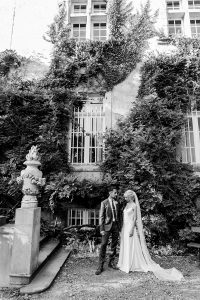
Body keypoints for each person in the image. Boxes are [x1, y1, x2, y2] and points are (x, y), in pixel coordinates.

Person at [117, 190, 183, 281]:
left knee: (131, 245)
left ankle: (131, 264)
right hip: (125, 227)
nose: (125, 199)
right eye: (125, 197)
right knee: (126, 245)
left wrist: (132, 229)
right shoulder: (127, 205)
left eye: (126, 197)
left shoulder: (134, 206)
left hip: (130, 227)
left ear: (131, 197)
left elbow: (134, 218)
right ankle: (125, 263)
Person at [95, 186, 121, 275]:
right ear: (110, 193)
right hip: (106, 227)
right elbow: (101, 216)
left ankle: (111, 262)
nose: (116, 194)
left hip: (115, 226)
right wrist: (101, 229)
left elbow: (119, 216)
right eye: (115, 193)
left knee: (114, 245)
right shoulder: (104, 203)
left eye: (116, 193)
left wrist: (119, 228)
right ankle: (100, 265)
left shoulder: (117, 203)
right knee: (103, 245)